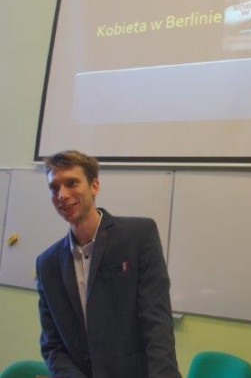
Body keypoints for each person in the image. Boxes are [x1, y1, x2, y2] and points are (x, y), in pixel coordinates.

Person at [36, 150, 182, 378]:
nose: (62, 195)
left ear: (94, 186)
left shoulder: (139, 237)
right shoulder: (48, 264)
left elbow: (157, 324)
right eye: (54, 187)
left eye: (72, 183)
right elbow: (52, 346)